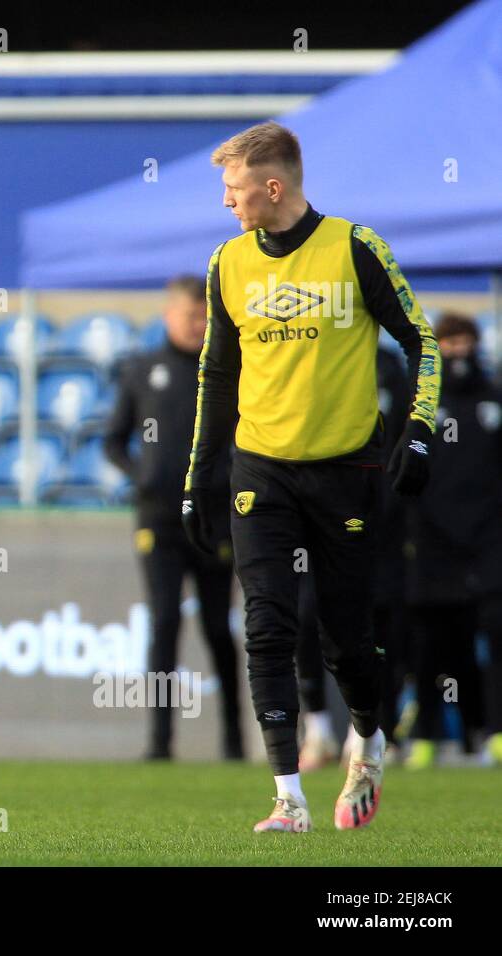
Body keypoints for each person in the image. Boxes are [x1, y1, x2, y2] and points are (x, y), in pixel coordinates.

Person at [183, 121, 440, 833]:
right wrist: (199, 473)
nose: (226, 203)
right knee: (265, 625)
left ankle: (368, 735)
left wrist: (418, 430)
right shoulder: (226, 263)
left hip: (346, 471)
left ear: (273, 187)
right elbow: (215, 373)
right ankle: (288, 797)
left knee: (347, 640)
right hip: (260, 469)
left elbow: (423, 341)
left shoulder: (355, 248)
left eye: (234, 190)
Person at [104, 274, 243, 762]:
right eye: (191, 316)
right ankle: (160, 744)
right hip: (158, 518)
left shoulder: (228, 370)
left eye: (206, 318)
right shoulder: (144, 369)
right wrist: (139, 474)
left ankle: (234, 741)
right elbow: (112, 440)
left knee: (217, 628)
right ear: (170, 316)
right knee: (164, 621)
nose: (198, 326)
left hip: (213, 518)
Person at [296, 345, 411, 770]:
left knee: (376, 623)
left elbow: (405, 439)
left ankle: (371, 733)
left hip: (378, 517)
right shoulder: (310, 354)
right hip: (317, 506)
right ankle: (318, 728)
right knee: (307, 616)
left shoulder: (389, 368)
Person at [403, 313, 502, 768]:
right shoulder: (421, 403)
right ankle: (426, 736)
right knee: (432, 645)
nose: (458, 351)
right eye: (449, 342)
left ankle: (494, 732)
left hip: (489, 539)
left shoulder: (493, 398)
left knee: (495, 634)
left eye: (465, 341)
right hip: (432, 541)